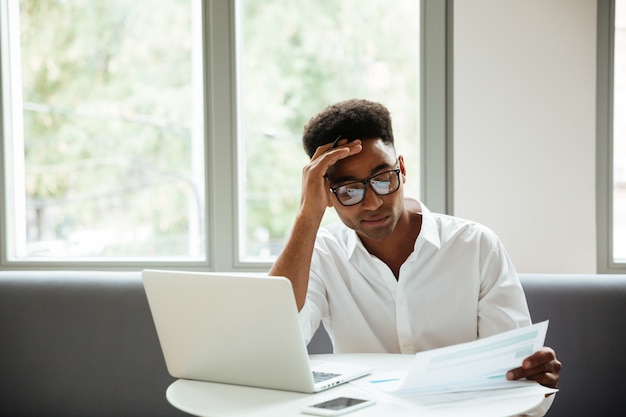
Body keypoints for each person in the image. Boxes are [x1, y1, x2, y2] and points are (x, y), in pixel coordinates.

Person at [269, 98, 561, 414]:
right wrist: (307, 216)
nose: (372, 203)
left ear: (402, 169)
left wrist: (532, 378)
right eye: (349, 190)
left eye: (383, 179)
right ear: (326, 193)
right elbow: (275, 342)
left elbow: (515, 379)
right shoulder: (323, 253)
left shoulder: (476, 246)